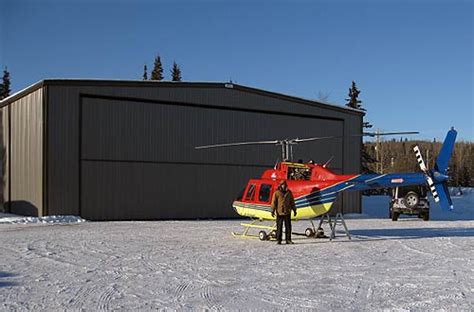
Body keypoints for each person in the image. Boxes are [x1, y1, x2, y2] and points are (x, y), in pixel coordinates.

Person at [271, 180, 297, 244]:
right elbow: (274, 202)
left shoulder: (289, 193)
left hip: (287, 212)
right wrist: (272, 210)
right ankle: (279, 240)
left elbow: (292, 202)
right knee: (279, 227)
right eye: (282, 184)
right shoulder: (276, 193)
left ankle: (288, 239)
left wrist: (294, 210)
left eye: (284, 184)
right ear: (280, 185)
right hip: (279, 212)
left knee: (288, 227)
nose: (284, 186)